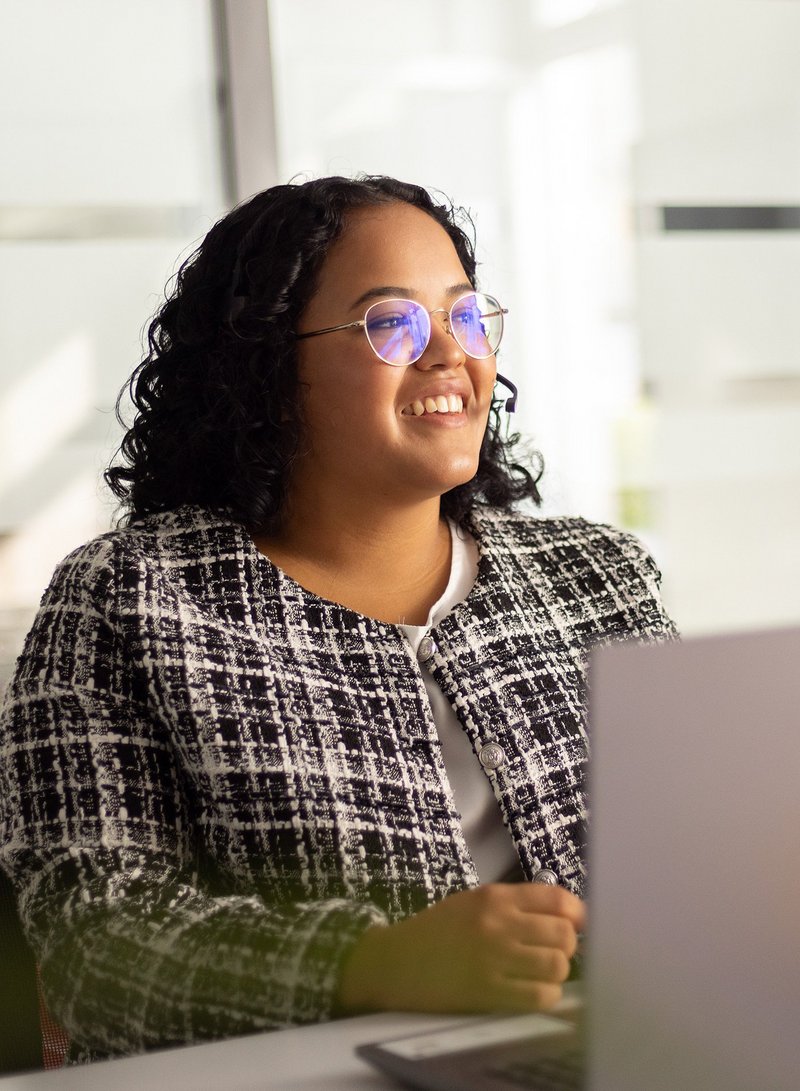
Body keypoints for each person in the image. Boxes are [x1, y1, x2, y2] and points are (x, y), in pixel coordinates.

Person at [0, 175, 676, 1063]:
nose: (449, 354)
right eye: (393, 322)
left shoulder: (598, 576)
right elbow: (97, 941)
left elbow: (702, 874)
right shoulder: (129, 597)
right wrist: (369, 961)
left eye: (467, 317)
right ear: (270, 369)